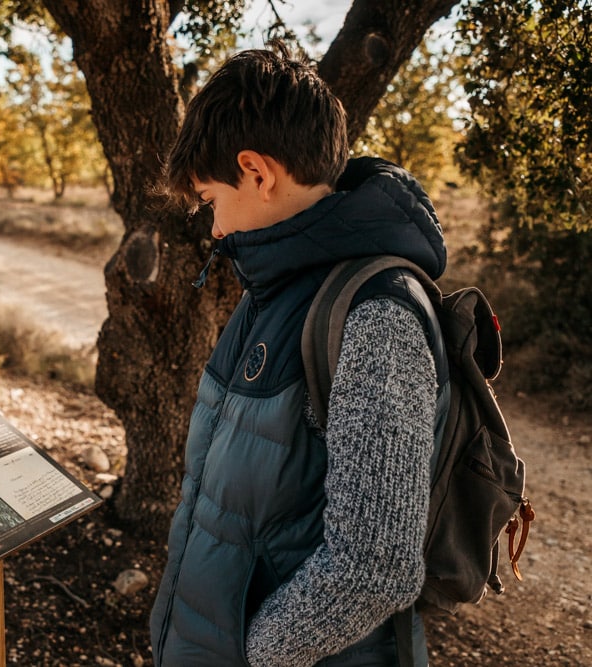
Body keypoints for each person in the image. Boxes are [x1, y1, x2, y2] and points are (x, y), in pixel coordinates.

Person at [149, 44, 449, 667]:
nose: (213, 229)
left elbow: (375, 569)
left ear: (257, 172)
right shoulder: (274, 288)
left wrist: (256, 653)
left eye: (209, 200)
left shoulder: (374, 314)